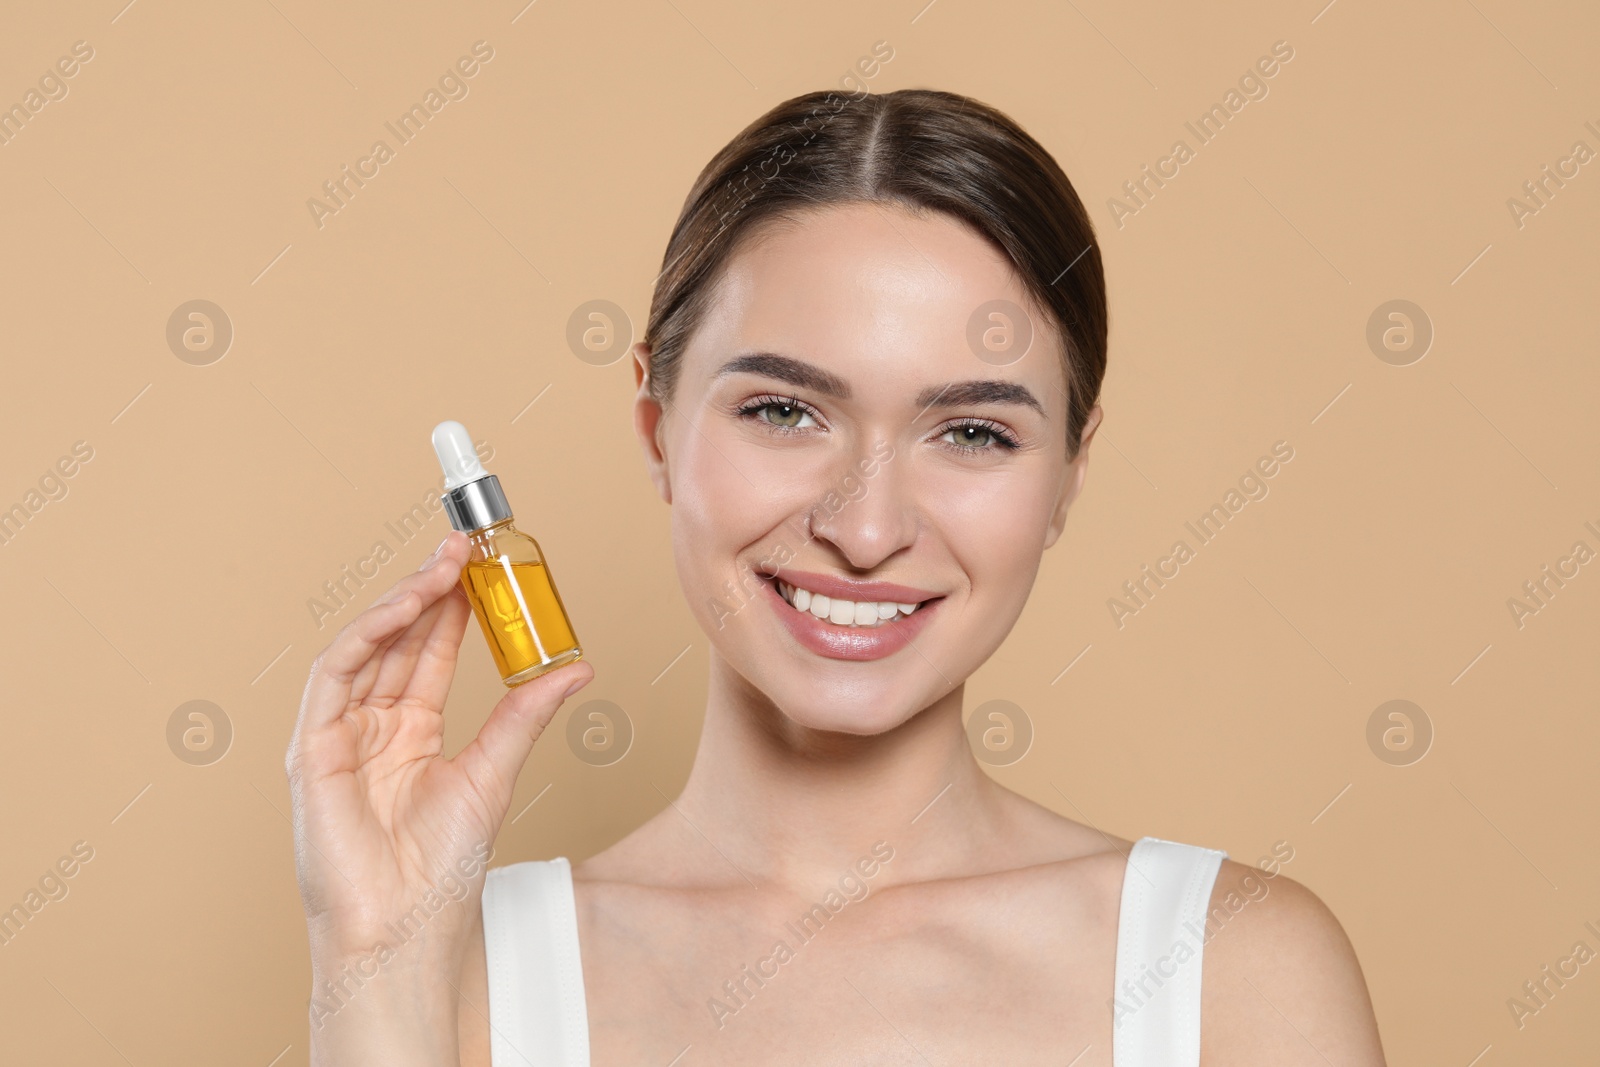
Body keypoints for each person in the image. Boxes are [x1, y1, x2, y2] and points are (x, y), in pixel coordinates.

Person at [286, 87, 1387, 1065]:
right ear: (658, 426)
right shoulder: (458, 977)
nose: (864, 529)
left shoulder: (1233, 970)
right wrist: (374, 959)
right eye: (783, 411)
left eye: (972, 432)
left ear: (1069, 473)